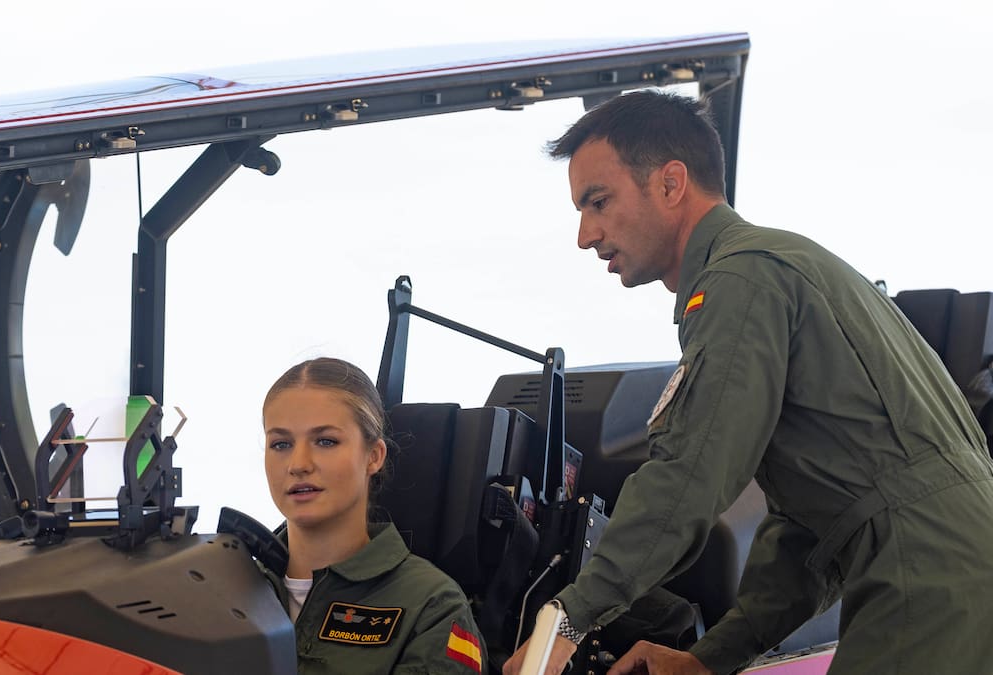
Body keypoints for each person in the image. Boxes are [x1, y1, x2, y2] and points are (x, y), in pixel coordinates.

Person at [503, 89, 993, 675]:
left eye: (599, 202)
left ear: (671, 183)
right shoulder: (779, 267)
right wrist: (710, 659)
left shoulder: (741, 280)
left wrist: (568, 616)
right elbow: (809, 536)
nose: (586, 234)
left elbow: (690, 474)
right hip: (951, 570)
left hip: (927, 576)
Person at [258, 357, 487, 673]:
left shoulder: (433, 608)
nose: (298, 464)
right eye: (281, 444)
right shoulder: (229, 585)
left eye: (326, 441)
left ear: (374, 456)